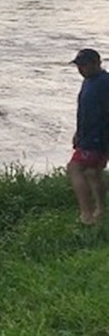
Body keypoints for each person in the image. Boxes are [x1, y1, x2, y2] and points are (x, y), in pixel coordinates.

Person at [68, 48, 109, 225]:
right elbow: (85, 112)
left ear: (96, 63)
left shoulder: (103, 83)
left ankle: (86, 215)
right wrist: (78, 132)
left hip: (96, 138)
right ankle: (100, 210)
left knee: (74, 168)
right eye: (78, 65)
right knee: (93, 173)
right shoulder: (91, 81)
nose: (80, 69)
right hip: (90, 137)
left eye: (84, 65)